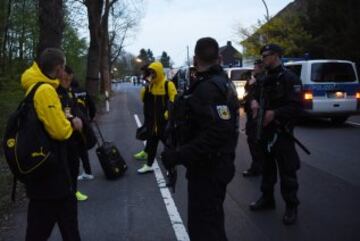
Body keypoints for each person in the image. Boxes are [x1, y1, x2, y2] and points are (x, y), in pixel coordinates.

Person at [161, 37, 240, 241]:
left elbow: (217, 134)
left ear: (195, 59)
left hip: (209, 169)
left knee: (204, 229)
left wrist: (179, 155)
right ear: (220, 58)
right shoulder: (222, 82)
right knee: (211, 222)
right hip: (215, 165)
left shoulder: (208, 88)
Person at [21, 48, 81, 241]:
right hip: (52, 175)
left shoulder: (34, 87)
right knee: (53, 225)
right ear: (58, 68)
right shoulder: (45, 90)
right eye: (63, 67)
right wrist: (72, 123)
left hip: (43, 173)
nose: (65, 71)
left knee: (54, 225)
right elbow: (59, 131)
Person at [249, 44, 302, 225]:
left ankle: (291, 206)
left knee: (287, 171)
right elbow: (252, 94)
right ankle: (267, 198)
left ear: (277, 55)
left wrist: (275, 113)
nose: (263, 58)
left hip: (282, 132)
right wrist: (254, 101)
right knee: (267, 168)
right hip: (264, 131)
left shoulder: (289, 78)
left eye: (266, 55)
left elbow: (296, 106)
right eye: (262, 55)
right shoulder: (263, 79)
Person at [135, 61, 177, 174]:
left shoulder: (168, 84)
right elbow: (143, 99)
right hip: (153, 124)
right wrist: (146, 86)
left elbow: (174, 99)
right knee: (152, 146)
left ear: (158, 72)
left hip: (164, 124)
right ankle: (149, 165)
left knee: (169, 146)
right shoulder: (151, 85)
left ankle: (171, 167)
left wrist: (168, 113)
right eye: (150, 72)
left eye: (153, 72)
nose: (152, 74)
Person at [57, 66, 89, 201]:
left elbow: (70, 108)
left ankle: (73, 191)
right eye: (65, 79)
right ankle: (69, 193)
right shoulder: (53, 91)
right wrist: (71, 119)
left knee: (74, 164)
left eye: (69, 80)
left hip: (73, 134)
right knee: (67, 166)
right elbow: (62, 111)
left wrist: (80, 118)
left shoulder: (68, 91)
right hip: (62, 135)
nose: (67, 82)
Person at [242, 59, 266, 177]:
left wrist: (253, 84)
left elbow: (256, 96)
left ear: (261, 67)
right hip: (252, 115)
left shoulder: (261, 80)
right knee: (253, 141)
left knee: (254, 142)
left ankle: (256, 167)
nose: (254, 68)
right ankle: (258, 166)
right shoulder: (255, 79)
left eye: (256, 66)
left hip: (256, 117)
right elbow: (248, 91)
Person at [70, 77, 96, 181]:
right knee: (82, 147)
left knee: (75, 150)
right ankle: (88, 172)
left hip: (74, 123)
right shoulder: (84, 91)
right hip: (85, 122)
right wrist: (91, 117)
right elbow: (92, 105)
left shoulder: (69, 93)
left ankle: (76, 174)